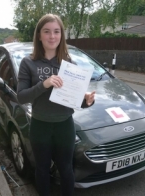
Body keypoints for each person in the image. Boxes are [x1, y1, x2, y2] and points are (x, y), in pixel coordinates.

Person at [17, 14, 95, 196]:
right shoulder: (28, 63)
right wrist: (44, 84)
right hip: (40, 125)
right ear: (39, 35)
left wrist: (86, 100)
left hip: (64, 125)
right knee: (42, 170)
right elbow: (21, 97)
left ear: (61, 35)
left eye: (56, 32)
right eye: (47, 32)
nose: (52, 36)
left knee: (66, 169)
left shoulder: (69, 64)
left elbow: (75, 100)